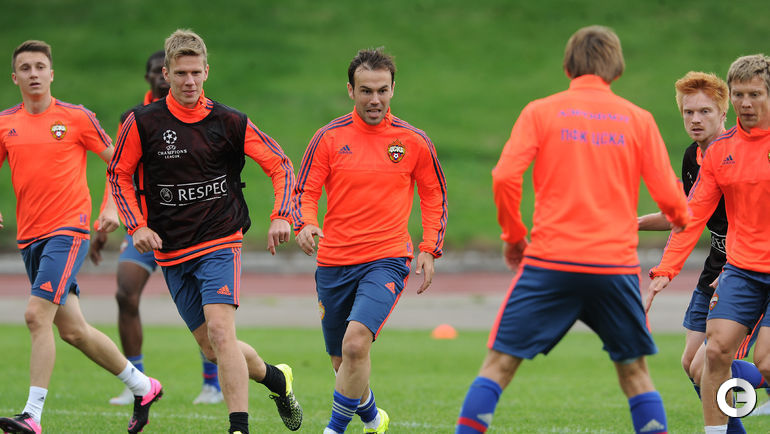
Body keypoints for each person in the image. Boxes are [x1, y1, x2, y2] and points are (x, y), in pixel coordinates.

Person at [454, 26, 689, 434]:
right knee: (635, 374)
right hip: (613, 267)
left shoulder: (540, 111)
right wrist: (681, 217)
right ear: (617, 69)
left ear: (567, 66)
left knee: (499, 365)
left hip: (551, 262)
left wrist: (514, 237)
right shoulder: (638, 119)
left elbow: (505, 176)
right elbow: (670, 196)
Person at [107, 29, 302, 434]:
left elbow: (280, 164)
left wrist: (282, 214)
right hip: (172, 249)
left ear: (207, 71)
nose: (189, 81)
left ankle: (238, 427)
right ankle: (276, 379)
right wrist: (136, 225)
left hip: (220, 238)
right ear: (166, 74)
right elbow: (118, 175)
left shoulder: (229, 121)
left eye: (196, 72)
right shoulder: (142, 123)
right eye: (181, 73)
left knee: (221, 331)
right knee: (213, 349)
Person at [0, 40, 163, 434]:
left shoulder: (76, 118)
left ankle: (32, 416)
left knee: (35, 316)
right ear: (15, 77)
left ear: (51, 74)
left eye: (40, 66)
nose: (34, 74)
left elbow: (120, 165)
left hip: (68, 229)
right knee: (72, 329)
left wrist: (111, 208)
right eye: (26, 68)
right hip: (30, 237)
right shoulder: (5, 123)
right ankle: (144, 387)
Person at [292, 47, 448, 434]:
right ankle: (374, 418)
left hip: (387, 259)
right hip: (334, 261)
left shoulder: (413, 141)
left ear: (393, 89)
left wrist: (429, 247)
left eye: (382, 90)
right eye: (366, 91)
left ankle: (333, 430)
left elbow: (434, 195)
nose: (374, 99)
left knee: (356, 344)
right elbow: (305, 191)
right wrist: (306, 224)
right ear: (351, 91)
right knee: (342, 362)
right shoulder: (328, 138)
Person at [87, 49, 223, 406]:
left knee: (206, 308)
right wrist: (107, 219)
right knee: (125, 292)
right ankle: (136, 379)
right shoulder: (135, 119)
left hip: (190, 229)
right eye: (160, 73)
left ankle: (212, 383)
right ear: (156, 75)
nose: (169, 80)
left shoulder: (200, 116)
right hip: (145, 228)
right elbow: (118, 173)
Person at [647, 54, 770, 433]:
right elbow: (691, 215)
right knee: (710, 357)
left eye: (754, 94)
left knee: (765, 362)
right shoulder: (716, 152)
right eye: (739, 94)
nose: (745, 103)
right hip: (740, 270)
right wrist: (665, 269)